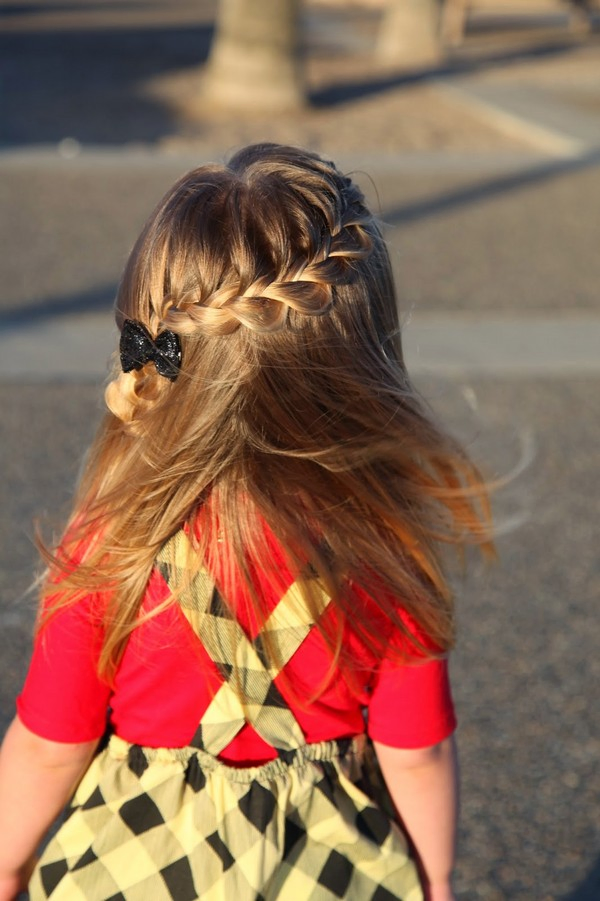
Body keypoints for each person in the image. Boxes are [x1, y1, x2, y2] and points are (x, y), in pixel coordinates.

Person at [0, 143, 491, 901]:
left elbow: (48, 747)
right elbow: (416, 752)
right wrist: (437, 876)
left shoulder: (112, 543)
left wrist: (7, 862)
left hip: (136, 867)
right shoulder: (387, 542)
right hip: (324, 869)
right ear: (363, 355)